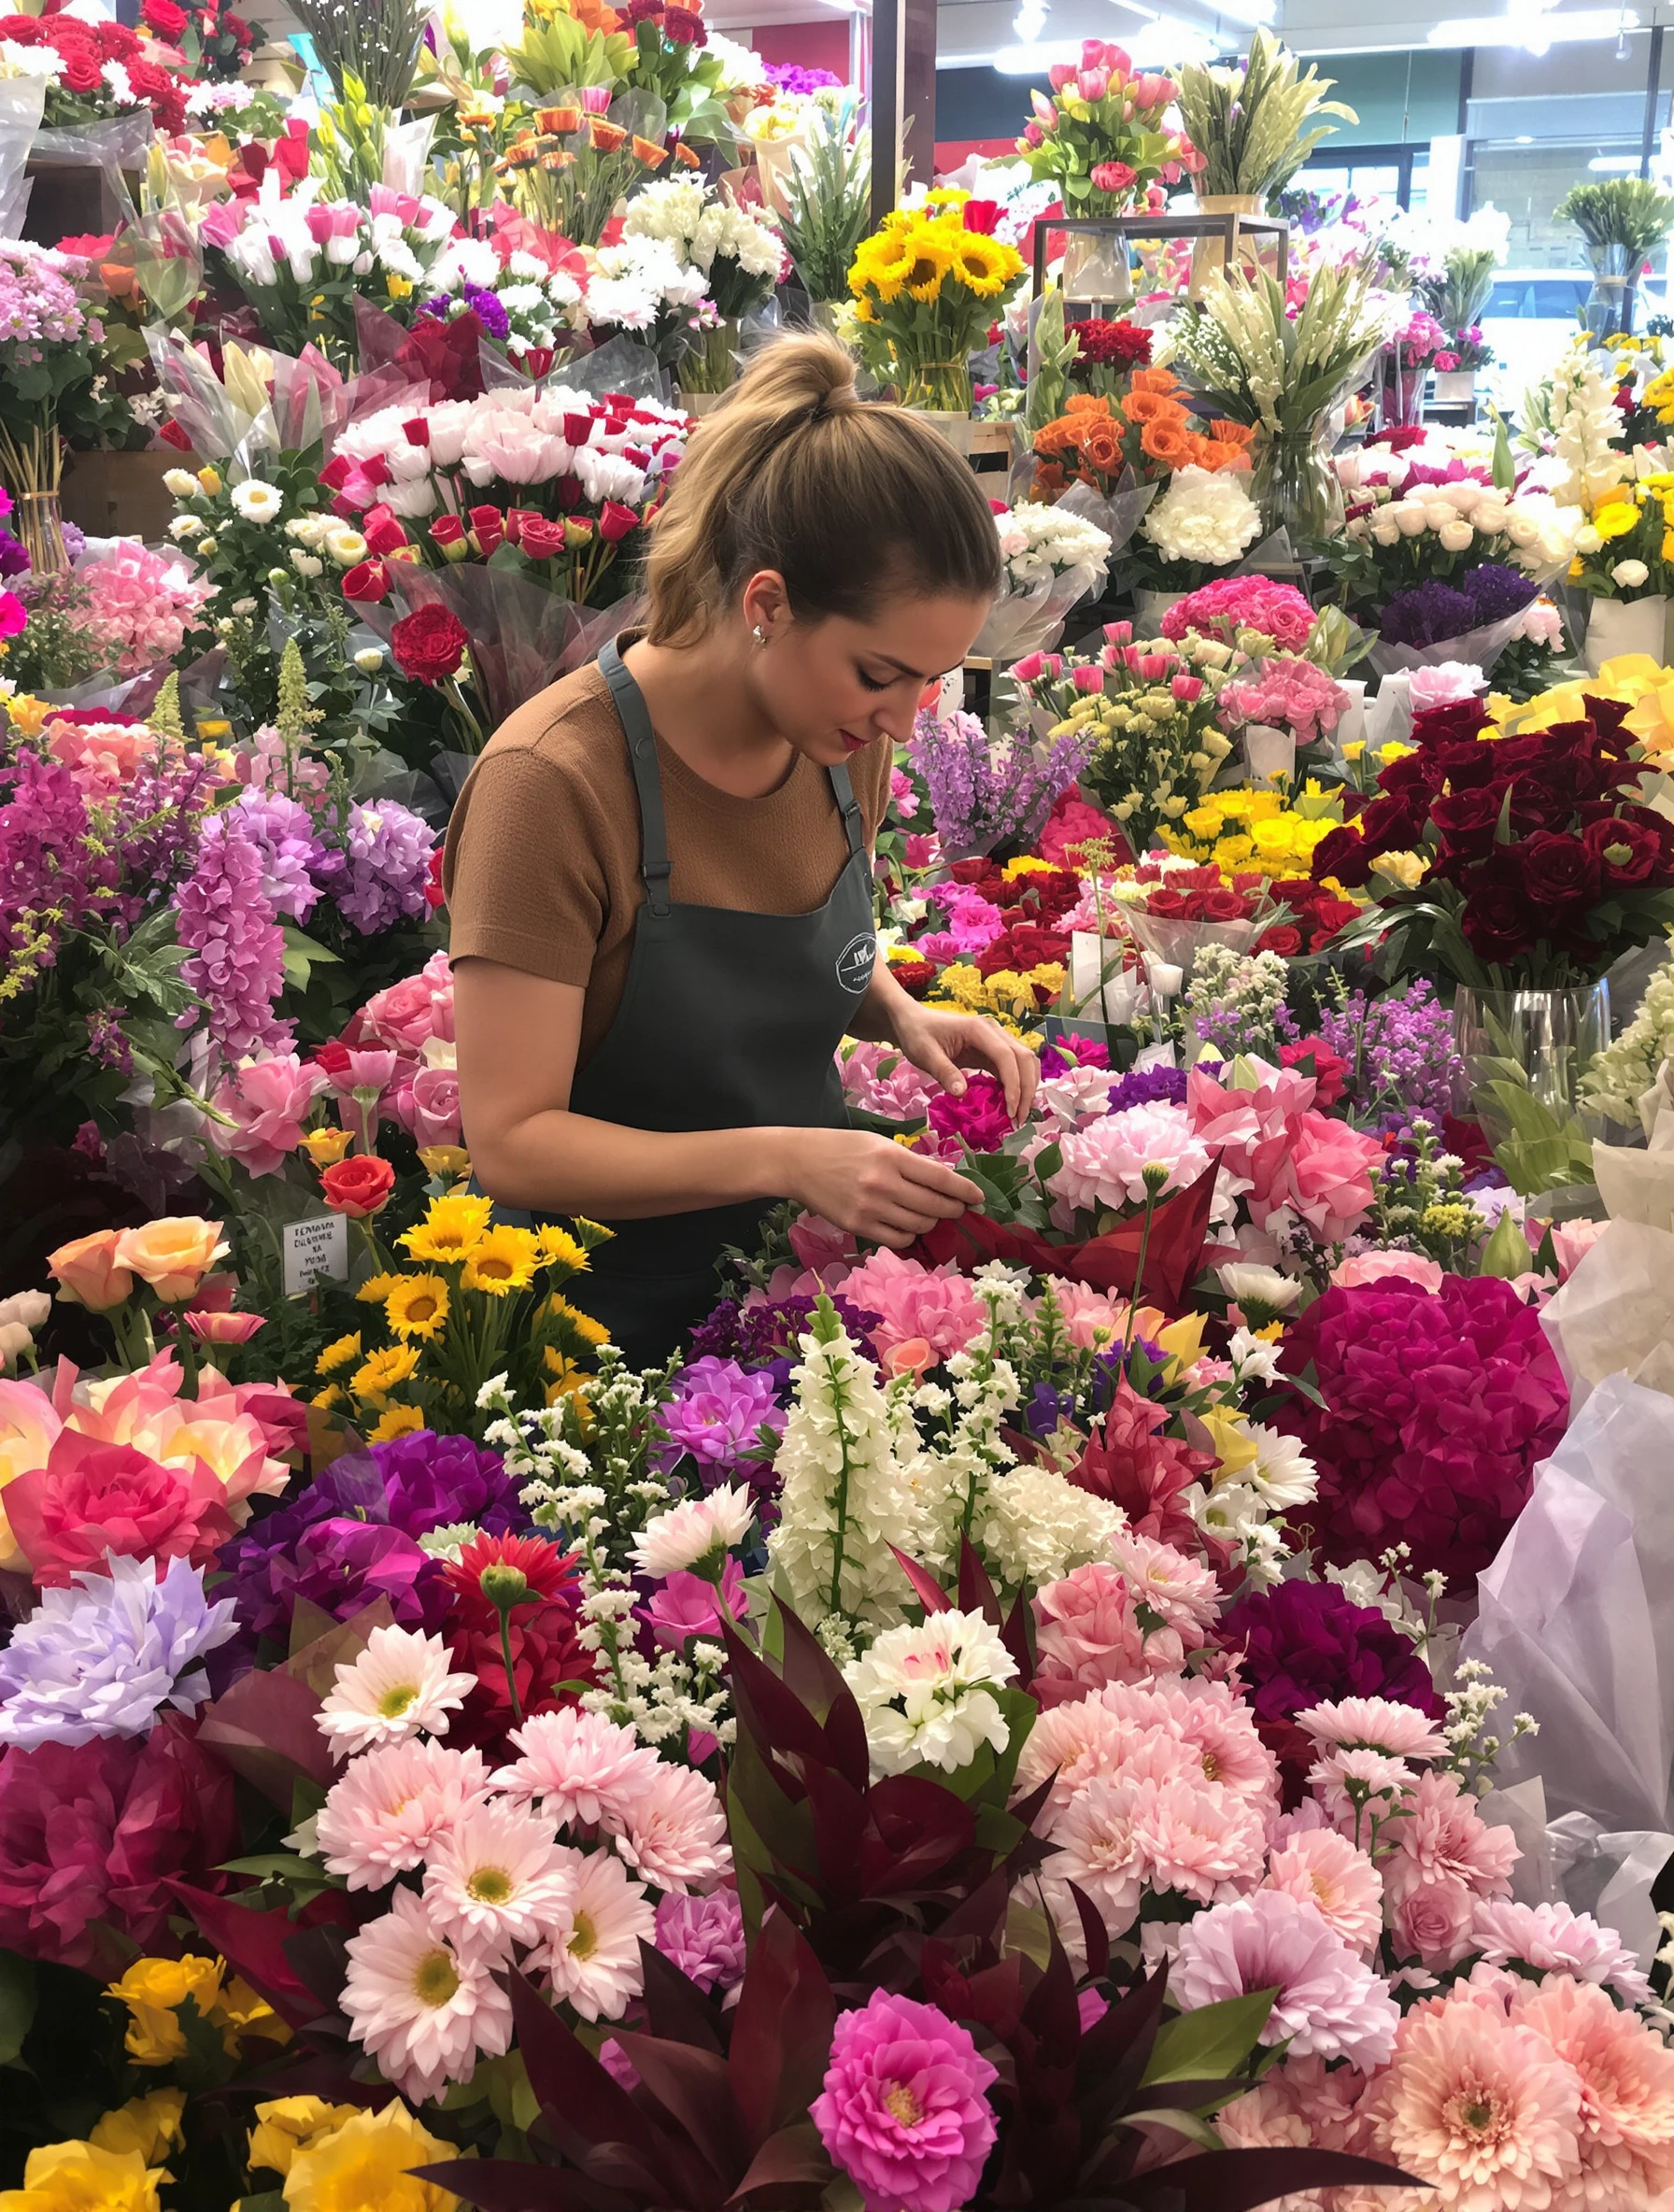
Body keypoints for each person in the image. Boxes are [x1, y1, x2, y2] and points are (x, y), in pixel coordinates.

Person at [445, 332, 1038, 1368]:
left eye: (928, 683)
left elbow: (772, 919)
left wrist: (894, 1010)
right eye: (879, 673)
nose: (903, 720)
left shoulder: (832, 739)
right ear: (766, 604)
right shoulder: (553, 782)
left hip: (795, 1303)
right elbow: (512, 1141)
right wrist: (788, 1159)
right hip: (605, 1347)